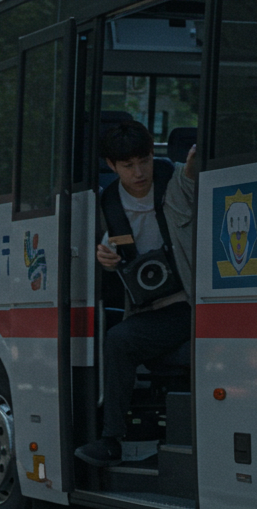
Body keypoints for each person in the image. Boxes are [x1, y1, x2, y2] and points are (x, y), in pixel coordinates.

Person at [77, 120, 198, 467]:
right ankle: (113, 440)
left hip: (190, 301)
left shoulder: (175, 179)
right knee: (119, 337)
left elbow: (190, 185)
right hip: (150, 307)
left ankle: (111, 439)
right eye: (128, 166)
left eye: (144, 160)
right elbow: (109, 250)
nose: (140, 172)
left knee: (118, 340)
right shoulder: (108, 203)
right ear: (111, 166)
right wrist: (106, 258)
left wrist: (191, 169)